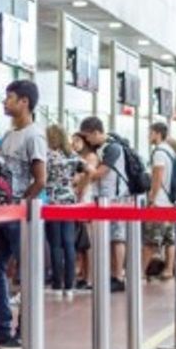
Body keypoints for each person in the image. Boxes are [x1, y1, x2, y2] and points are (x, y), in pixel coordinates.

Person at [0, 80, 46, 349]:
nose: (4, 102)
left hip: (21, 213)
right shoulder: (9, 135)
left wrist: (23, 203)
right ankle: (2, 326)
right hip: (3, 212)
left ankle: (25, 329)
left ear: (24, 102)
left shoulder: (34, 136)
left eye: (9, 97)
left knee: (26, 272)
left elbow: (40, 179)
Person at [79, 116, 127, 293]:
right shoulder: (103, 148)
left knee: (117, 237)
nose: (88, 141)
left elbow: (100, 173)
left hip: (115, 197)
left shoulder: (113, 148)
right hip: (104, 197)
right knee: (109, 237)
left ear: (97, 132)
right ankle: (112, 274)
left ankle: (118, 277)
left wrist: (85, 166)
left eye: (88, 136)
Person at [45, 124, 79, 299]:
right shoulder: (72, 155)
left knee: (56, 245)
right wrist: (74, 184)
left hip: (53, 202)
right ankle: (70, 286)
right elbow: (88, 169)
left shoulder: (49, 156)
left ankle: (58, 286)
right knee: (69, 243)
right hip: (70, 201)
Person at [144, 122, 176, 280]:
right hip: (170, 200)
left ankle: (140, 272)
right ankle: (169, 269)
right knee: (170, 238)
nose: (148, 136)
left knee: (151, 240)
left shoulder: (159, 152)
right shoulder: (170, 150)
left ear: (157, 133)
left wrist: (151, 198)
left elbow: (158, 176)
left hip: (160, 201)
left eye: (150, 133)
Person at [71, 132, 98, 290]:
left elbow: (87, 177)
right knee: (82, 240)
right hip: (81, 198)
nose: (74, 144)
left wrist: (79, 189)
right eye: (72, 141)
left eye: (77, 140)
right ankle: (83, 273)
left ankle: (88, 277)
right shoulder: (77, 158)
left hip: (86, 199)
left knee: (87, 241)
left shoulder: (90, 157)